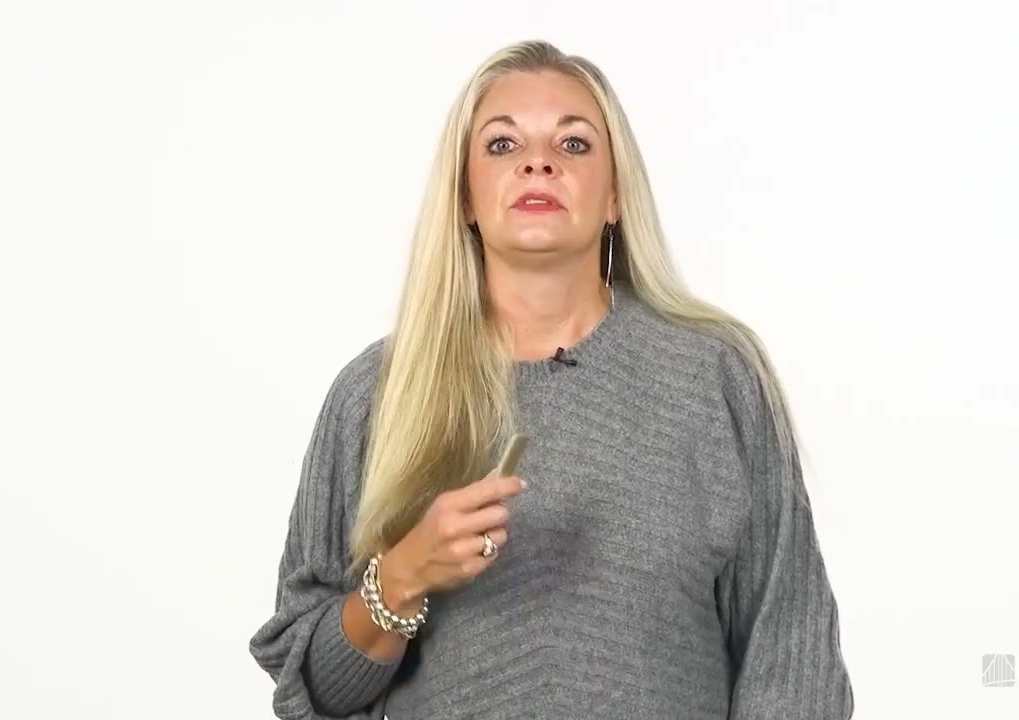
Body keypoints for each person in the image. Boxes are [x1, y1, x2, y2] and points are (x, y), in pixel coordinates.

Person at [249, 39, 854, 719]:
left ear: (617, 194)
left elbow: (792, 662)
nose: (539, 161)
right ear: (465, 197)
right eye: (502, 146)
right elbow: (314, 692)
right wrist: (404, 573)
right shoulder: (375, 396)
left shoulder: (714, 379)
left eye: (574, 145)